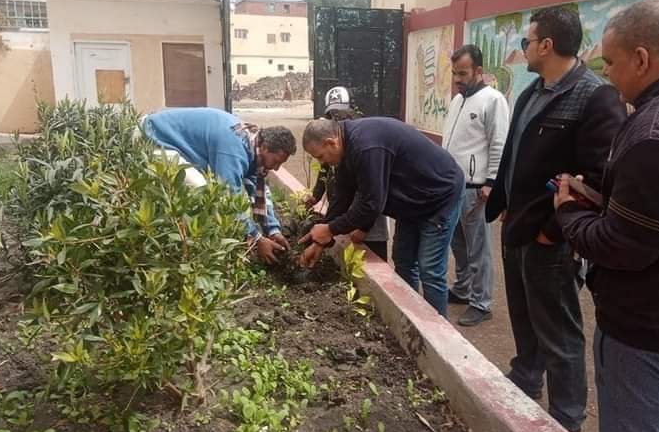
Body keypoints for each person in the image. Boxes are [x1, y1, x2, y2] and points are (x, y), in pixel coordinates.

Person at [554, 0, 659, 432]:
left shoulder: (655, 133)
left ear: (642, 58)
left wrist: (570, 209)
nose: (607, 74)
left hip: (650, 334)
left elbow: (624, 246)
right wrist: (609, 202)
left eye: (610, 63)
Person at [485, 6, 626, 432]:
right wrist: (505, 200)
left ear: (546, 45)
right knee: (525, 320)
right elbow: (517, 153)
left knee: (560, 333)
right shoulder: (533, 91)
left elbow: (600, 178)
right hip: (517, 230)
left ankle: (567, 421)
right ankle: (525, 382)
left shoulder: (594, 96)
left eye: (527, 41)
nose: (523, 48)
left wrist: (552, 230)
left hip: (551, 240)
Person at [298, 117, 464, 318]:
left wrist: (331, 229)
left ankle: (439, 333)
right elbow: (342, 197)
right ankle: (412, 321)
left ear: (331, 142)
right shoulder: (346, 147)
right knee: (404, 261)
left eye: (321, 157)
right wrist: (320, 240)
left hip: (439, 195)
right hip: (411, 202)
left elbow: (371, 205)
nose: (322, 163)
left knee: (430, 269)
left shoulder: (366, 147)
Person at [141, 107, 297, 265]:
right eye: (276, 161)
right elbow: (228, 198)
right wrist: (257, 239)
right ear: (264, 148)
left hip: (171, 139)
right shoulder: (233, 149)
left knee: (215, 193)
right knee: (201, 190)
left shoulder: (252, 143)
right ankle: (195, 252)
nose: (276, 168)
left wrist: (273, 230)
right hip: (154, 137)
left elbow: (260, 192)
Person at [442, 44, 509, 326]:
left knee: (479, 248)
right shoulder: (457, 100)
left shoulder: (493, 100)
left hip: (477, 188)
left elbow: (499, 143)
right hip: (453, 187)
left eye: (463, 73)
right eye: (455, 73)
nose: (457, 79)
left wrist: (492, 182)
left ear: (479, 71)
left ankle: (482, 302)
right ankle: (463, 288)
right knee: (458, 243)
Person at [304, 86, 389, 260]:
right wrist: (324, 228)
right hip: (353, 210)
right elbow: (337, 187)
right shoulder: (336, 143)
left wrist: (364, 227)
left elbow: (372, 200)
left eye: (340, 112)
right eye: (332, 113)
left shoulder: (362, 145)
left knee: (375, 254)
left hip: (370, 210)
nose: (337, 117)